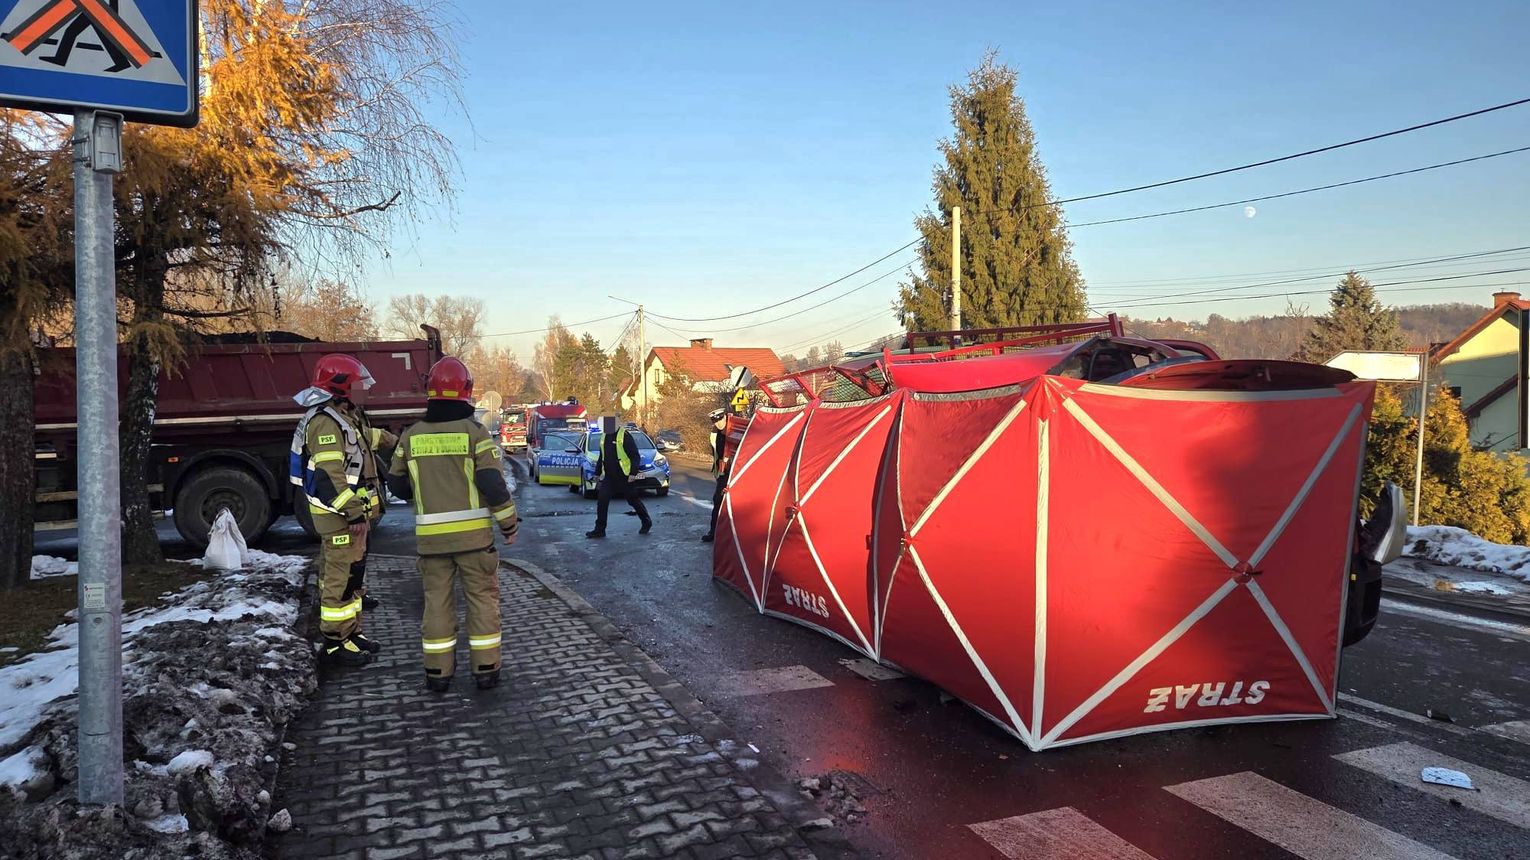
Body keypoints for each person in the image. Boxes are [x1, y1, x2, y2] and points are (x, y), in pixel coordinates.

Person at [387, 356, 519, 692]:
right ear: (466, 391)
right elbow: (492, 484)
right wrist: (508, 525)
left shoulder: (411, 436)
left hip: (431, 543)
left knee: (436, 604)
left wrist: (427, 487)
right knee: (482, 603)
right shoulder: (475, 433)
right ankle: (486, 670)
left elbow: (398, 485)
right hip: (474, 542)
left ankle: (438, 673)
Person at [288, 355, 395, 666]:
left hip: (348, 519)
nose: (365, 390)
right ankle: (335, 643)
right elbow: (328, 475)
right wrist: (353, 513)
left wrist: (395, 441)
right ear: (341, 387)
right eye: (359, 385)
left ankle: (351, 633)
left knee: (352, 576)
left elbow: (364, 440)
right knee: (340, 578)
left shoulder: (344, 416)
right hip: (340, 520)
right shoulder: (325, 421)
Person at [586, 416, 652, 538]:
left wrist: (633, 473)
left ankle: (646, 521)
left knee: (633, 500)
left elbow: (635, 456)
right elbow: (602, 456)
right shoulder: (604, 436)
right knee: (602, 500)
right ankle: (600, 529)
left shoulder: (624, 436)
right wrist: (597, 473)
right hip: (609, 477)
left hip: (624, 476)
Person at [701, 408, 730, 543]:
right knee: (717, 501)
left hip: (735, 471)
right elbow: (716, 454)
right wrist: (717, 471)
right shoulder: (715, 433)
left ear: (725, 417)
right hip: (723, 472)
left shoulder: (734, 431)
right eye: (715, 421)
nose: (717, 423)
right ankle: (714, 532)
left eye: (719, 420)